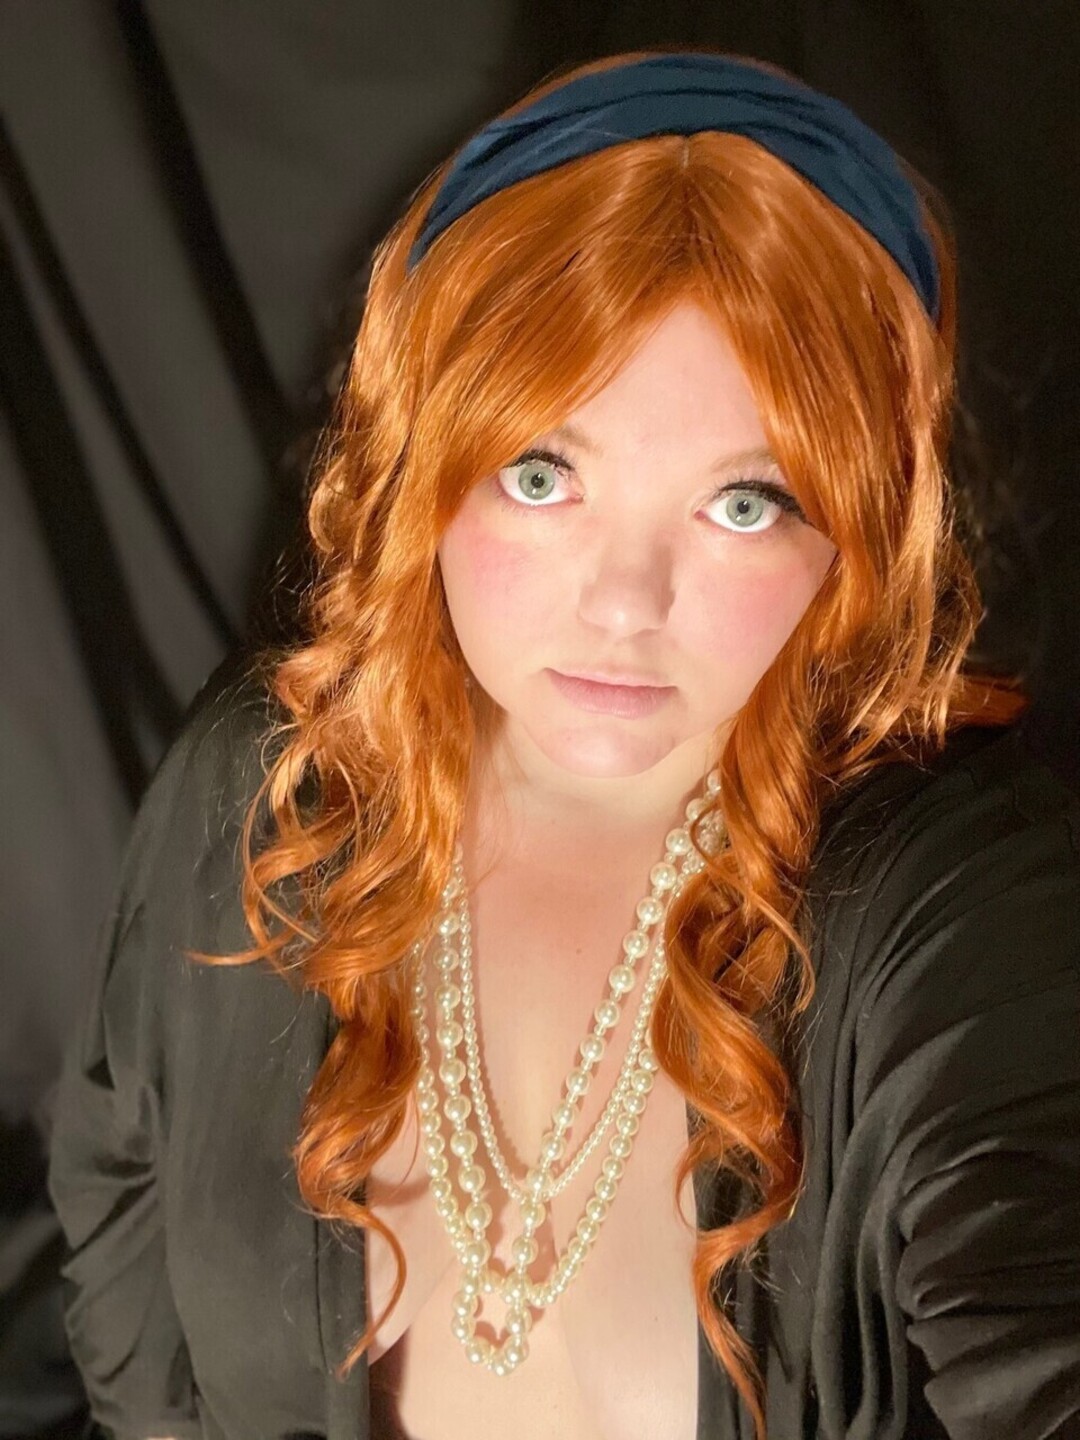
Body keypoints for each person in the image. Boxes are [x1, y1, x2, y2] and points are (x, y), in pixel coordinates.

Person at [47, 48, 1080, 1440]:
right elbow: (119, 1204)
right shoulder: (265, 786)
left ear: (863, 530)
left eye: (744, 504)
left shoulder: (960, 906)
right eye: (543, 476)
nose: (625, 603)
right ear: (419, 464)